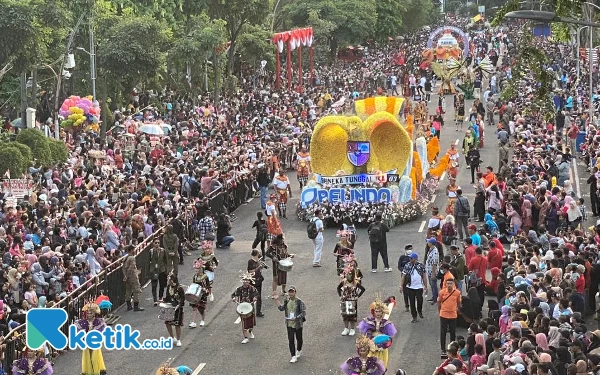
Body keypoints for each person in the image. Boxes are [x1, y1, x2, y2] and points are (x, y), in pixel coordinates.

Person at [357, 297, 397, 369]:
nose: (377, 313)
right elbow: (367, 333)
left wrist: (383, 346)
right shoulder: (369, 321)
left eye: (379, 311)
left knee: (381, 367)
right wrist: (370, 342)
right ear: (374, 312)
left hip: (382, 348)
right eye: (376, 311)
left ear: (382, 312)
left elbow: (388, 338)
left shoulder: (386, 324)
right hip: (371, 346)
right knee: (370, 367)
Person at [275, 285, 306, 363]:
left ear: (295, 292)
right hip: (289, 324)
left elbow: (303, 313)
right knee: (291, 340)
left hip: (298, 324)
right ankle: (293, 356)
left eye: (292, 292)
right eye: (290, 292)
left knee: (299, 339)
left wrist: (296, 318)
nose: (291, 293)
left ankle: (299, 350)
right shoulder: (287, 301)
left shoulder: (299, 302)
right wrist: (277, 300)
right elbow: (281, 308)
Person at [74, 301, 107, 375]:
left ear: (94, 313)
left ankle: (96, 370)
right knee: (87, 357)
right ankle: (89, 371)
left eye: (91, 313)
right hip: (86, 342)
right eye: (88, 313)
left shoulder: (98, 321)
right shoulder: (83, 322)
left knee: (95, 357)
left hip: (94, 343)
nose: (89, 315)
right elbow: (78, 332)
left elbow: (102, 331)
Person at [338, 264, 366, 336]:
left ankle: (352, 328)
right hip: (344, 300)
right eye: (347, 274)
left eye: (350, 275)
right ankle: (346, 328)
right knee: (345, 314)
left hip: (352, 300)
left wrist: (357, 296)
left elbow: (363, 289)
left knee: (352, 315)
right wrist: (340, 296)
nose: (348, 276)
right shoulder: (344, 282)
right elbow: (338, 288)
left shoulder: (355, 283)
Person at [400, 252, 428, 322]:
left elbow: (424, 276)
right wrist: (401, 285)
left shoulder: (420, 266)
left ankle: (419, 310)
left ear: (415, 259)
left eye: (411, 258)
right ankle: (414, 316)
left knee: (420, 300)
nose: (409, 259)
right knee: (412, 302)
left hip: (419, 287)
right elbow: (403, 276)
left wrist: (425, 286)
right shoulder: (407, 265)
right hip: (410, 287)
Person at [231, 273, 258, 344]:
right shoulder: (239, 289)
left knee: (251, 324)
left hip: (250, 308)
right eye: (244, 280)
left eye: (247, 280)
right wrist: (234, 298)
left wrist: (255, 298)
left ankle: (250, 331)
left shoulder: (252, 289)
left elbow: (256, 294)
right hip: (242, 309)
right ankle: (245, 338)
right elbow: (233, 295)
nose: (245, 281)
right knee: (244, 323)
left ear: (249, 281)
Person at [438, 278, 461, 359]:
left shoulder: (457, 293)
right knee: (443, 332)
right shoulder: (442, 292)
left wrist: (457, 310)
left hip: (453, 315)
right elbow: (439, 302)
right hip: (443, 314)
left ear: (454, 284)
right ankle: (443, 349)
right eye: (448, 283)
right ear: (445, 284)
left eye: (451, 283)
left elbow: (459, 303)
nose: (449, 285)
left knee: (452, 332)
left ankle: (452, 349)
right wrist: (440, 311)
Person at [267, 234, 294, 298]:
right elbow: (267, 253)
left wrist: (290, 255)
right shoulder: (273, 246)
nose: (283, 241)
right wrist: (273, 257)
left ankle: (283, 291)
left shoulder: (284, 246)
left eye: (283, 239)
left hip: (284, 263)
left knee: (284, 277)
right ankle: (274, 292)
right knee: (276, 278)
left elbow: (286, 254)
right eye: (282, 239)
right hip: (276, 264)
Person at [163, 273, 185, 347]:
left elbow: (183, 299)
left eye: (169, 280)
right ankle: (172, 338)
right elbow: (167, 297)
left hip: (177, 309)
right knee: (167, 323)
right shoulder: (169, 287)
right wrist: (162, 301)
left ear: (172, 280)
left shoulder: (179, 288)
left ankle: (178, 340)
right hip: (170, 307)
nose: (168, 281)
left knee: (177, 324)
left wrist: (179, 305)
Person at [188, 259, 211, 328]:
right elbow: (194, 284)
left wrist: (205, 289)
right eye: (195, 269)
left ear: (200, 269)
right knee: (194, 307)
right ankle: (194, 322)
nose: (196, 270)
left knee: (201, 309)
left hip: (202, 294)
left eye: (197, 269)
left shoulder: (205, 277)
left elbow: (208, 285)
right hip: (196, 294)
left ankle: (202, 320)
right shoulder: (195, 276)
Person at [123, 245, 144, 311]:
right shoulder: (132, 258)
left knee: (128, 290)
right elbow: (131, 268)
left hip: (127, 276)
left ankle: (129, 305)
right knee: (136, 290)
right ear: (131, 250)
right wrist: (128, 275)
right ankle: (136, 306)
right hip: (132, 276)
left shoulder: (125, 258)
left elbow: (123, 268)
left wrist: (125, 275)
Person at [247, 249, 266, 317]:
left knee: (259, 297)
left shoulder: (258, 261)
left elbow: (259, 270)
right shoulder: (250, 262)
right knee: (252, 296)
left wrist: (262, 266)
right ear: (256, 254)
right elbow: (251, 271)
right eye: (259, 253)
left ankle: (258, 311)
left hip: (259, 280)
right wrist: (259, 267)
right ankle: (249, 311)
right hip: (253, 281)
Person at [149, 238, 168, 306]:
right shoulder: (151, 251)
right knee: (154, 285)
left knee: (162, 284)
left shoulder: (163, 250)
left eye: (158, 243)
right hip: (154, 271)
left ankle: (160, 297)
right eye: (155, 243)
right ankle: (155, 300)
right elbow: (148, 262)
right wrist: (149, 271)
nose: (157, 244)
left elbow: (166, 260)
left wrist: (166, 269)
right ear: (153, 244)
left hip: (161, 270)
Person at [398, 245, 413, 311]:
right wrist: (404, 270)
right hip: (404, 277)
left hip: (412, 276)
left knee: (412, 291)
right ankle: (407, 305)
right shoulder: (402, 257)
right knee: (405, 292)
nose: (410, 250)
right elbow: (399, 266)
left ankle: (412, 305)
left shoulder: (413, 256)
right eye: (409, 249)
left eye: (411, 249)